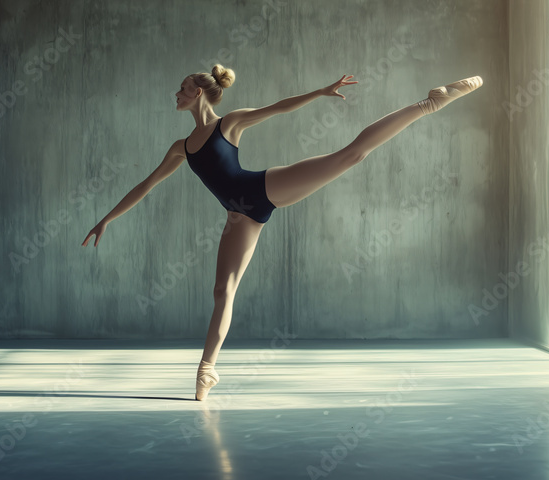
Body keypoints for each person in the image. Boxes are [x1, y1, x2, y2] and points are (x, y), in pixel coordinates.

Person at [82, 64, 483, 400]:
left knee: (350, 155)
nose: (177, 93)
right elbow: (145, 185)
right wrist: (107, 218)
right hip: (239, 218)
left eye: (183, 88)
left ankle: (429, 102)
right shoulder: (180, 147)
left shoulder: (230, 123)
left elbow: (279, 108)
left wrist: (321, 91)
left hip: (262, 189)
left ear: (201, 92)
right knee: (222, 292)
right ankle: (207, 370)